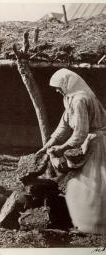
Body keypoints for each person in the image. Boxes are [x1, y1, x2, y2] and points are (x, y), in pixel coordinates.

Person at [37, 68, 106, 234]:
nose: (56, 90)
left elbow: (81, 133)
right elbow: (63, 126)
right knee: (78, 183)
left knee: (93, 182)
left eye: (58, 86)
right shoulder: (69, 98)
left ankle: (95, 227)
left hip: (96, 143)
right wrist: (46, 146)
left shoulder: (81, 99)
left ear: (68, 83)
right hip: (87, 141)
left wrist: (61, 148)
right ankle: (82, 223)